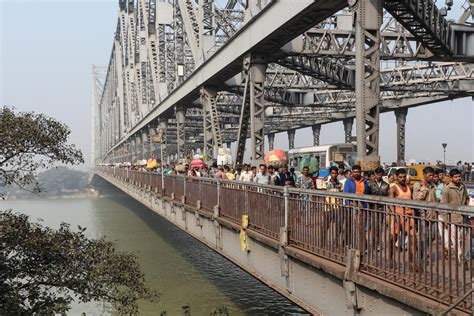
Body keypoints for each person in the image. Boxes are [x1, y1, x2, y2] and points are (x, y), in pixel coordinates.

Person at [440, 169, 470, 263]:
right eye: (456, 177)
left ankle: (460, 254)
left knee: (461, 238)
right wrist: (445, 220)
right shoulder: (447, 189)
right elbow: (444, 205)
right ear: (451, 178)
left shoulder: (463, 186)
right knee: (456, 239)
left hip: (462, 216)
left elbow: (467, 198)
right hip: (452, 218)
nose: (458, 178)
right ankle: (460, 258)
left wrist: (466, 209)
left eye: (459, 176)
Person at [388, 168, 416, 269]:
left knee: (413, 238)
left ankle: (412, 262)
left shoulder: (410, 187)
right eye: (400, 177)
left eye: (404, 177)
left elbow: (411, 200)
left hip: (409, 215)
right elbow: (390, 203)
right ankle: (390, 259)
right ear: (396, 177)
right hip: (397, 215)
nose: (403, 179)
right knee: (393, 238)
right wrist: (394, 214)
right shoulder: (394, 188)